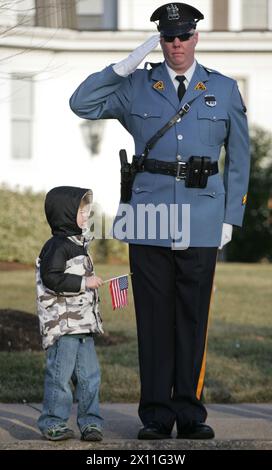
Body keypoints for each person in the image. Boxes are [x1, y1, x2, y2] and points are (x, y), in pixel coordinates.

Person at [69, 3, 250, 440]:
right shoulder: (137, 86)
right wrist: (122, 65)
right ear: (160, 40)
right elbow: (82, 103)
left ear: (196, 37)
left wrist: (231, 217)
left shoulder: (222, 89)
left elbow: (240, 157)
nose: (176, 45)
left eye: (184, 36)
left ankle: (189, 413)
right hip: (149, 218)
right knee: (152, 318)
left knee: (192, 317)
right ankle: (154, 415)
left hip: (204, 219)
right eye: (168, 38)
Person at [36, 186, 104, 441]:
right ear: (64, 214)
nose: (86, 215)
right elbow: (51, 277)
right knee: (60, 377)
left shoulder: (79, 244)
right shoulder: (57, 246)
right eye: (80, 211)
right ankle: (52, 421)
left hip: (83, 325)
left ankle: (90, 422)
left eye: (87, 210)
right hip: (64, 327)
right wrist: (83, 283)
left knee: (90, 377)